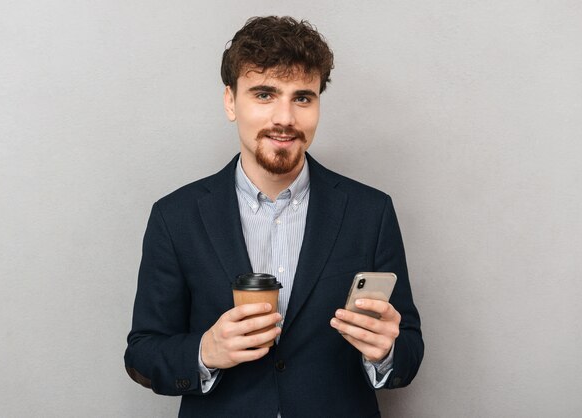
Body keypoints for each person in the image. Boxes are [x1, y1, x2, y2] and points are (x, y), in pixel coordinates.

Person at [124, 16, 423, 418]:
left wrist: (387, 351)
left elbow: (409, 349)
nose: (285, 118)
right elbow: (142, 354)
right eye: (265, 94)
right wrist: (205, 352)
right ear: (230, 101)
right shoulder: (175, 217)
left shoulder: (370, 211)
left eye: (302, 98)